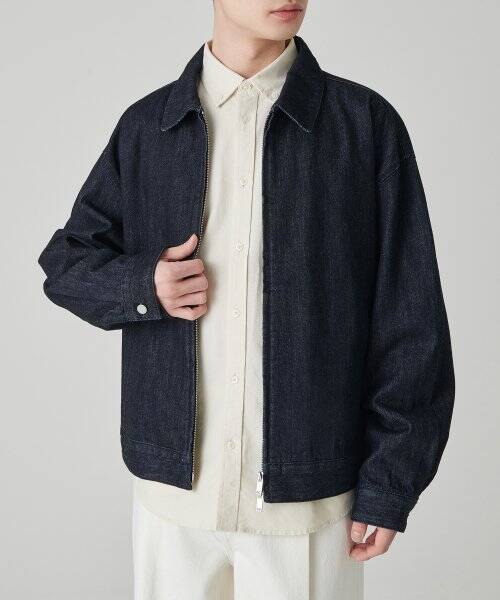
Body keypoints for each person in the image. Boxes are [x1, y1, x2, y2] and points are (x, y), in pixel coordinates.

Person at [38, 1, 455, 598]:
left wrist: (391, 482)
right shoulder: (148, 128)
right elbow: (67, 263)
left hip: (308, 500)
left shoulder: (364, 125)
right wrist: (144, 286)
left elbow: (410, 319)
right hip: (173, 500)